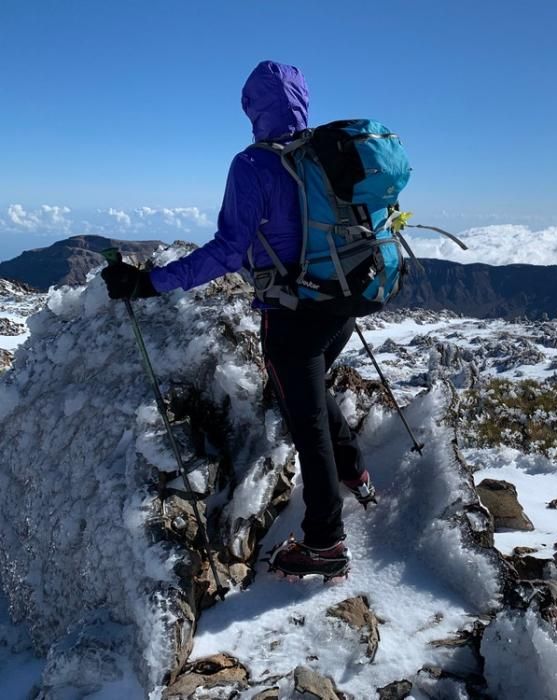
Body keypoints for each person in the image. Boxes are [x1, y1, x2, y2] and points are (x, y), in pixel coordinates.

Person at [102, 60, 374, 579]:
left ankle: (325, 542)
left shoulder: (253, 166)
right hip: (344, 302)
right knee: (310, 392)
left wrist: (150, 282)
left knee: (305, 420)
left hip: (292, 313)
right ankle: (355, 471)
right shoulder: (326, 154)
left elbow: (229, 250)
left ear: (254, 107)